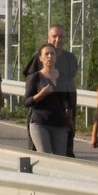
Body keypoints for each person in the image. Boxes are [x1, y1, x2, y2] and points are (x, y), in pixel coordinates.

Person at [23, 25, 80, 156]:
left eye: (61, 36)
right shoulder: (38, 56)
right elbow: (30, 78)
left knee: (66, 148)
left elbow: (70, 82)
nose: (57, 39)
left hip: (63, 108)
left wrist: (70, 109)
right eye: (54, 36)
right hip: (40, 111)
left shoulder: (70, 58)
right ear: (48, 38)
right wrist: (39, 93)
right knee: (37, 149)